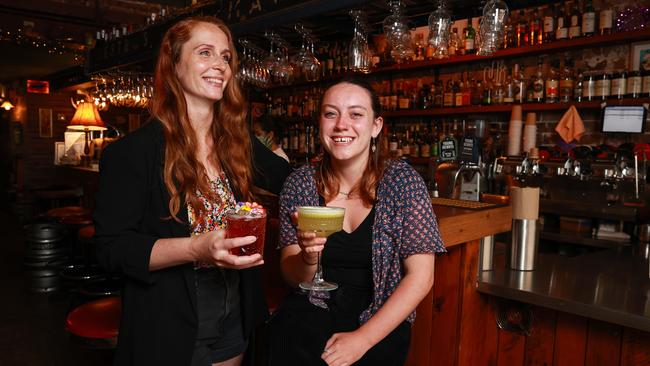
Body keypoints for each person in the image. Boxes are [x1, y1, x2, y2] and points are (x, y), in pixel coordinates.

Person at [93, 16, 292, 366]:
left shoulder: (238, 142)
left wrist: (347, 140)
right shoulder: (132, 152)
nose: (219, 65)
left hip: (235, 298)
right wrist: (196, 248)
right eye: (205, 53)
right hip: (171, 310)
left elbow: (292, 182)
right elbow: (112, 250)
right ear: (174, 64)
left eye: (226, 57)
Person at [269, 78, 445, 366]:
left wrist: (362, 339)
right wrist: (309, 257)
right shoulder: (300, 184)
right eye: (330, 113)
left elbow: (421, 277)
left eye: (356, 114)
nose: (341, 124)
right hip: (310, 312)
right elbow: (293, 277)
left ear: (376, 126)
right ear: (320, 123)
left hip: (379, 319)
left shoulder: (402, 182)